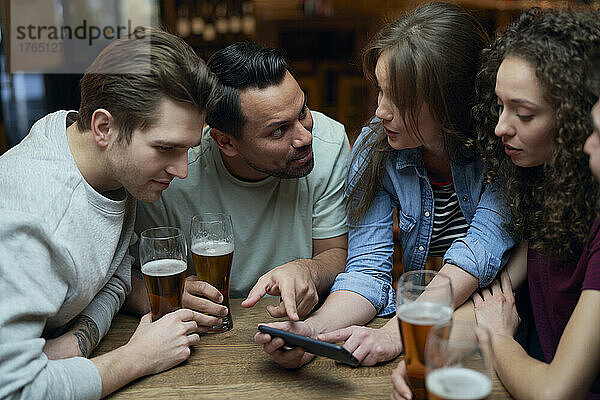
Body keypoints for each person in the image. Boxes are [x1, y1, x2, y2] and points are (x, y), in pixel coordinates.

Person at [256, 1, 515, 370]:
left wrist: (396, 335)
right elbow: (366, 270)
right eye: (380, 90)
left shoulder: (503, 149)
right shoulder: (375, 150)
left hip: (496, 327)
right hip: (427, 319)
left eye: (400, 98)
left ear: (450, 102)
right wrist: (314, 332)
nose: (380, 110)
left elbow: (476, 255)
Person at [390, 8, 600, 400]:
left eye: (523, 113)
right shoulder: (546, 188)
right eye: (499, 106)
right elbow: (495, 302)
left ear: (575, 119)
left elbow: (555, 391)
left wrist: (499, 340)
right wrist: (430, 352)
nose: (501, 126)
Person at [0, 27, 221, 399]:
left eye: (187, 149)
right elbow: (16, 389)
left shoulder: (94, 153)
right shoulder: (39, 218)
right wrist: (138, 357)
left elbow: (113, 277)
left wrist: (75, 343)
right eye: (165, 148)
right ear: (104, 127)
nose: (182, 170)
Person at [134, 42, 350, 322]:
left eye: (302, 111)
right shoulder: (171, 174)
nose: (305, 137)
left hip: (298, 323)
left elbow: (335, 251)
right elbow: (124, 274)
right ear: (225, 141)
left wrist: (309, 270)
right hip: (200, 333)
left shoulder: (329, 143)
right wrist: (168, 295)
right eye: (279, 131)